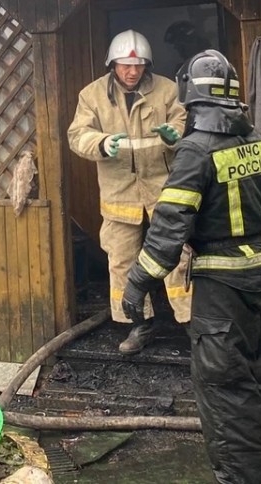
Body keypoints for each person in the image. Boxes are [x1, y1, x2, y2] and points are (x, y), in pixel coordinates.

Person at [121, 49, 261, 484]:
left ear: (192, 101)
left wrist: (137, 283)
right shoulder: (256, 141)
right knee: (260, 381)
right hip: (259, 278)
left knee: (225, 392)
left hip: (222, 291)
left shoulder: (195, 151)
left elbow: (168, 229)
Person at [68, 29, 192, 354]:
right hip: (118, 194)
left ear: (147, 65)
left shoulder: (167, 90)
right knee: (122, 261)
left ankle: (191, 322)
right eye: (125, 65)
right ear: (113, 64)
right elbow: (76, 135)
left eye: (138, 66)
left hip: (163, 192)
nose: (132, 71)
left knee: (178, 256)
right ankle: (139, 325)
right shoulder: (91, 95)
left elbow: (184, 122)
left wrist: (173, 135)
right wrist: (101, 143)